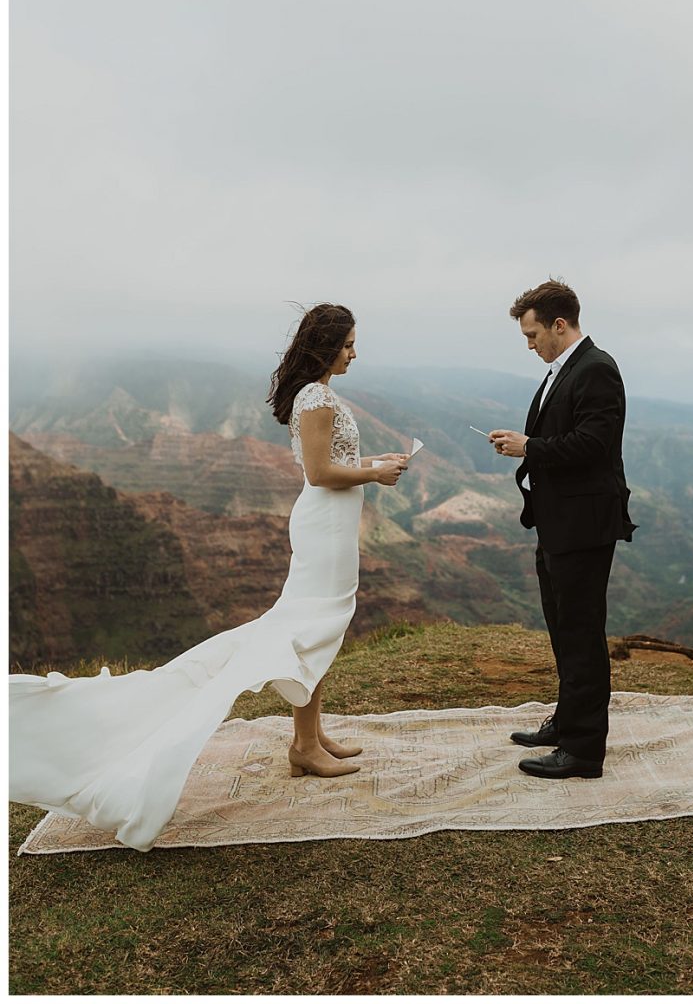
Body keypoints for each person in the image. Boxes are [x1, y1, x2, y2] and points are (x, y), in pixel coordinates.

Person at [8, 303, 411, 850]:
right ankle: (304, 744)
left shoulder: (317, 393)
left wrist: (372, 462)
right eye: (347, 344)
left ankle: (310, 737)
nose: (354, 353)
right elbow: (319, 473)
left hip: (336, 524)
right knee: (312, 625)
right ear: (326, 344)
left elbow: (332, 461)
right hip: (325, 524)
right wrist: (374, 472)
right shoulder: (315, 396)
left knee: (320, 625)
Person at [488, 280, 635, 780]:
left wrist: (529, 447)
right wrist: (526, 443)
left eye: (533, 335)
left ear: (559, 324)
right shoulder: (564, 370)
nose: (529, 345)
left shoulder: (596, 369)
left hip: (584, 525)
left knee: (581, 633)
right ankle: (568, 722)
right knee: (563, 627)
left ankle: (584, 750)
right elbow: (561, 434)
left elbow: (594, 443)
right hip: (557, 522)